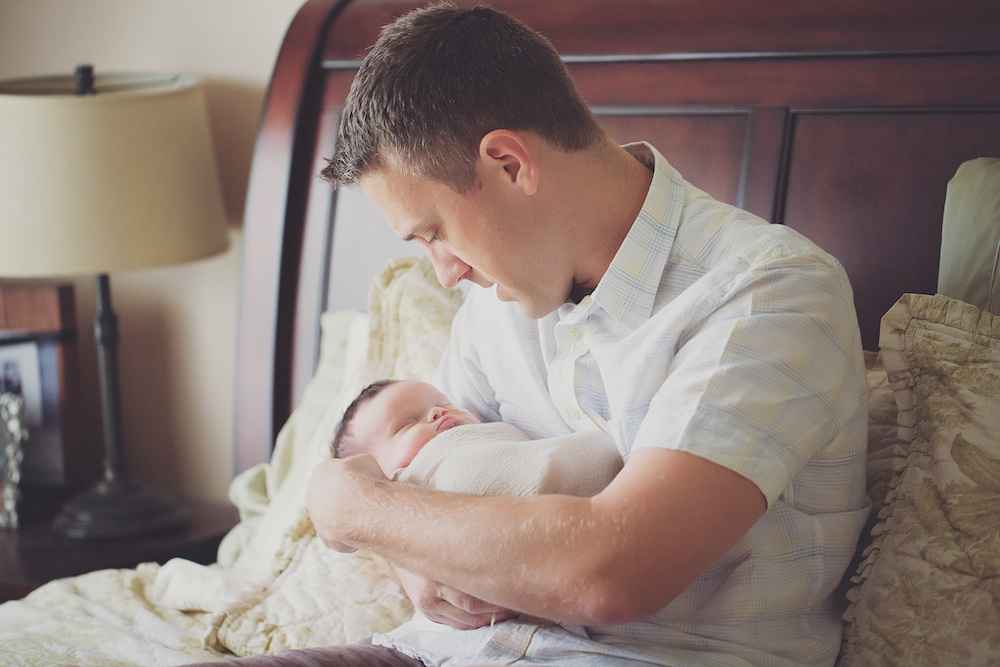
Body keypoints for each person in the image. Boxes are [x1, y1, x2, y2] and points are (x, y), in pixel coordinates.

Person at [189, 2, 871, 665]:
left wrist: (348, 505)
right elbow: (429, 496)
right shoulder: (497, 301)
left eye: (435, 233)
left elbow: (614, 571)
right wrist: (408, 554)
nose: (445, 272)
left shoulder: (769, 291)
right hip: (432, 652)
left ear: (510, 165)